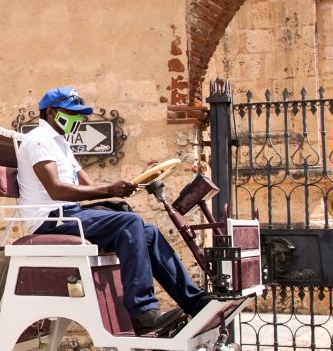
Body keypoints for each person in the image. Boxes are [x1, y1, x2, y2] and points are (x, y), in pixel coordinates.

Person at [16, 86, 212, 336]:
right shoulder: (39, 141)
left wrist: (124, 187)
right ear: (52, 112)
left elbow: (87, 186)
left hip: (70, 213)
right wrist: (112, 190)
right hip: (52, 219)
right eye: (72, 113)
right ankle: (143, 313)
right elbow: (57, 190)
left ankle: (194, 302)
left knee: (147, 231)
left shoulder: (61, 144)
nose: (78, 119)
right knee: (129, 223)